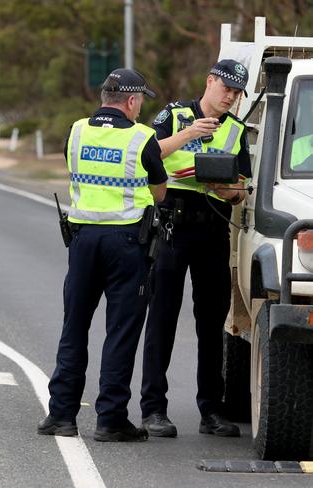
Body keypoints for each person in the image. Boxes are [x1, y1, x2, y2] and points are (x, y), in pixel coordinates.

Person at [37, 69, 167, 442]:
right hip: (127, 244)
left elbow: (73, 170)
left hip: (82, 241)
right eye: (140, 99)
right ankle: (110, 419)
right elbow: (159, 191)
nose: (140, 106)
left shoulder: (77, 131)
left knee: (74, 326)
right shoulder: (142, 137)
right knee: (121, 332)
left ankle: (61, 414)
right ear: (130, 100)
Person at [140, 59, 252, 438]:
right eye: (227, 89)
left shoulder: (236, 131)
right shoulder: (174, 114)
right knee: (162, 319)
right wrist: (189, 135)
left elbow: (240, 191)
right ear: (210, 82)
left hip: (213, 229)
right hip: (174, 226)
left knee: (211, 323)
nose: (231, 97)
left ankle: (211, 411)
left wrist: (226, 189)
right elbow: (148, 154)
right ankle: (153, 409)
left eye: (238, 93)